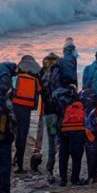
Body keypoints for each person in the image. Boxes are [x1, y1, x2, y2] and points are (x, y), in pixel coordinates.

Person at [10, 55, 41, 172]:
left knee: (11, 135)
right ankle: (20, 165)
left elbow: (10, 92)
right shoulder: (35, 80)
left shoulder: (15, 78)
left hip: (15, 108)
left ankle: (10, 160)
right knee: (22, 137)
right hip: (26, 110)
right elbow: (39, 94)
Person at [54, 86, 86, 186]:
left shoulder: (61, 101)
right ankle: (75, 179)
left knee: (63, 156)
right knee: (76, 157)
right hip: (77, 131)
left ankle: (63, 179)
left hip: (64, 130)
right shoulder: (80, 103)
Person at [39, 52, 62, 180]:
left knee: (52, 140)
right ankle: (60, 170)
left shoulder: (42, 74)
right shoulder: (60, 72)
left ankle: (50, 169)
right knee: (61, 140)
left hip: (48, 112)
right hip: (60, 111)